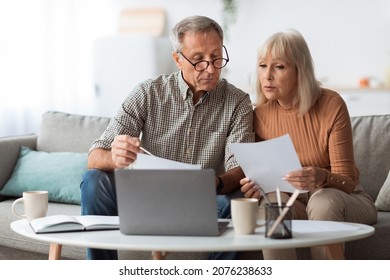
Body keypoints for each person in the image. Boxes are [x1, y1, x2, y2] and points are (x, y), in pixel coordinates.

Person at [81, 15, 254, 260]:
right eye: (198, 60)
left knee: (234, 204)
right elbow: (95, 156)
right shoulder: (148, 93)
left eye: (216, 57)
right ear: (177, 59)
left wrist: (213, 183)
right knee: (94, 180)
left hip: (203, 201)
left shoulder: (238, 102)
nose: (211, 68)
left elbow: (241, 168)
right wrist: (116, 158)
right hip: (145, 198)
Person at [240, 29, 377, 259]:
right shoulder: (260, 115)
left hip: (344, 198)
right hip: (294, 201)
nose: (267, 75)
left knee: (323, 200)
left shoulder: (330, 104)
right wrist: (251, 186)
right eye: (263, 66)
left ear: (300, 71)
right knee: (271, 203)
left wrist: (322, 177)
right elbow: (265, 175)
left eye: (279, 66)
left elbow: (348, 181)